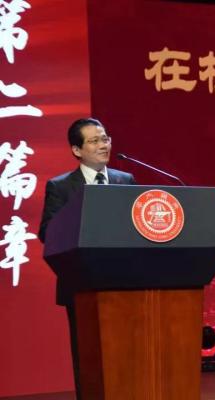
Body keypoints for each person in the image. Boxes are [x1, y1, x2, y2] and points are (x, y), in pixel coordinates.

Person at [38, 117, 136, 399]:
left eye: (105, 139)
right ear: (77, 150)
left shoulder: (125, 180)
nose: (103, 145)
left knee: (125, 353)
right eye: (94, 141)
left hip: (123, 282)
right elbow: (47, 232)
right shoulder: (60, 187)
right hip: (81, 284)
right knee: (88, 356)